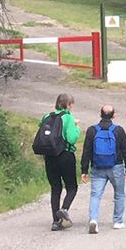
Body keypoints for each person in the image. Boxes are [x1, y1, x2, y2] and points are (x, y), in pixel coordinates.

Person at [80, 104, 126, 233]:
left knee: (95, 195)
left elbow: (86, 151)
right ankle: (117, 221)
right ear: (114, 116)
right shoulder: (118, 130)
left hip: (97, 167)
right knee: (119, 195)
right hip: (116, 166)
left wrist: (84, 170)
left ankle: (93, 220)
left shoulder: (92, 130)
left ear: (100, 115)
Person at [34, 92, 81, 230]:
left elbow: (41, 126)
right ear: (68, 105)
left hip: (49, 155)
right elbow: (71, 138)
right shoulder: (68, 118)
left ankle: (55, 222)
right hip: (65, 155)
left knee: (55, 188)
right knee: (72, 187)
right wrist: (76, 127)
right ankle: (64, 209)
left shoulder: (47, 116)